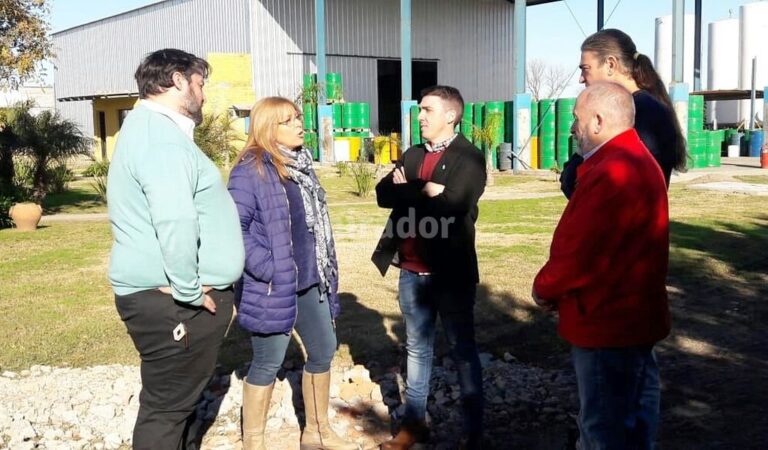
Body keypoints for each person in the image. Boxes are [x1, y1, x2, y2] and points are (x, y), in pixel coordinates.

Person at [107, 49, 245, 449]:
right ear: (178, 80)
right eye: (200, 84)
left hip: (170, 299)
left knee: (174, 407)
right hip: (175, 302)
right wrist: (187, 289)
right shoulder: (160, 138)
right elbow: (175, 220)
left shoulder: (151, 131)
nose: (203, 96)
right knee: (166, 412)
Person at [533, 82, 671, 450]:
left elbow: (580, 252)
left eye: (577, 119)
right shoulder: (637, 160)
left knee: (603, 427)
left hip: (606, 322)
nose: (573, 128)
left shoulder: (613, 170)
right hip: (633, 318)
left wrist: (543, 288)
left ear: (597, 120)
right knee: (637, 418)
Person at [227, 97, 357, 450]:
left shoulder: (300, 165)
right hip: (272, 285)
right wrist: (268, 269)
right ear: (269, 128)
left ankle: (316, 432)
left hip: (310, 280)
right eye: (289, 120)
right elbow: (233, 230)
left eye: (298, 117)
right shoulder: (249, 169)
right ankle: (254, 442)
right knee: (268, 362)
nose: (300, 124)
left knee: (323, 350)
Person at [372, 85, 487, 450]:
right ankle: (414, 424)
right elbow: (381, 194)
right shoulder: (413, 153)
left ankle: (474, 432)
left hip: (450, 274)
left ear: (450, 115)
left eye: (426, 110)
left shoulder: (469, 157)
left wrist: (411, 190)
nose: (419, 116)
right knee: (417, 350)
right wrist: (426, 189)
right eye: (419, 110)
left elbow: (451, 208)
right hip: (411, 270)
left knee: (462, 350)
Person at [560, 28, 687, 198]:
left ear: (610, 65)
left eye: (585, 68)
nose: (581, 78)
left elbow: (585, 183)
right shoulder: (648, 108)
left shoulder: (641, 113)